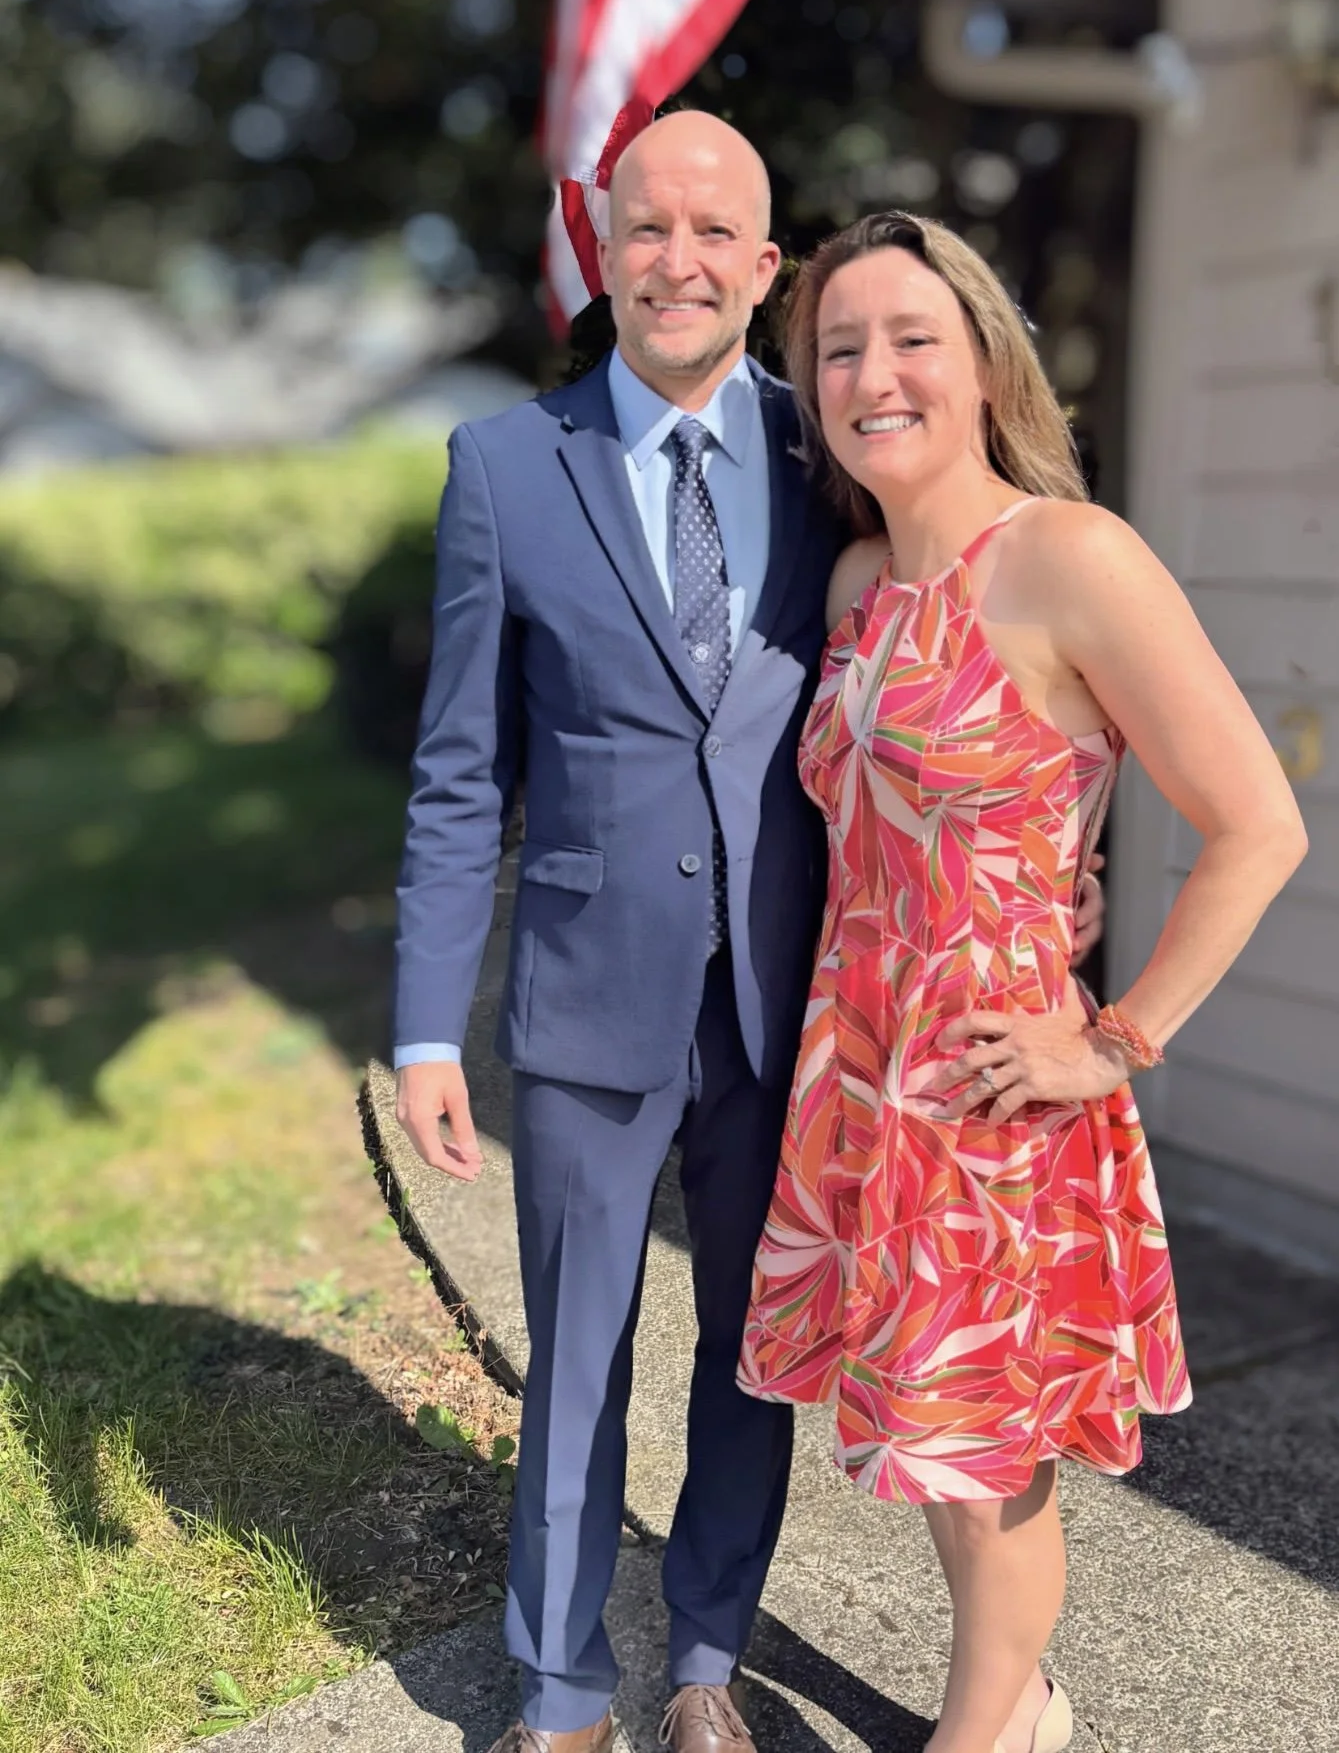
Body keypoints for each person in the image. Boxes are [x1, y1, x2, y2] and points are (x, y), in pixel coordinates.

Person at [394, 118, 1104, 1753]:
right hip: (586, 999)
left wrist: (1058, 868)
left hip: (798, 1012)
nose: (681, 261)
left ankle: (705, 1662)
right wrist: (428, 1025)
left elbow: (997, 656)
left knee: (749, 1355)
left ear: (763, 268)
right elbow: (454, 773)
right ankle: (564, 1690)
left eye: (718, 234)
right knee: (574, 1369)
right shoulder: (505, 467)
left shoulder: (832, 449)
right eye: (649, 230)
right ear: (604, 248)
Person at [737, 210, 1308, 1753]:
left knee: (986, 1456)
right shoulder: (856, 577)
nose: (874, 373)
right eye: (837, 347)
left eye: (910, 336)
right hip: (865, 1071)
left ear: (982, 360)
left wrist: (1113, 1040)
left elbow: (1259, 828)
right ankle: (1014, 1701)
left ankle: (989, 1724)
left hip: (996, 1084)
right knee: (929, 1445)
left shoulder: (1069, 558)